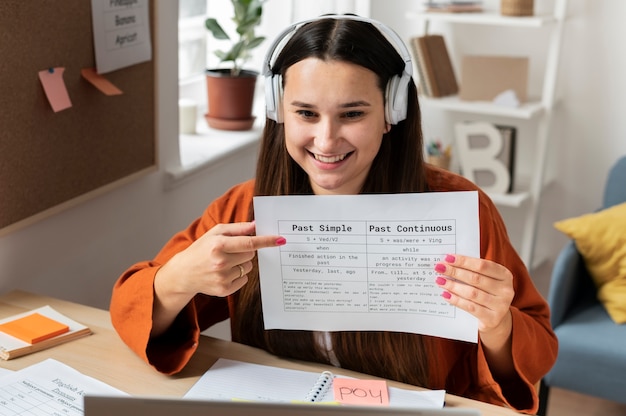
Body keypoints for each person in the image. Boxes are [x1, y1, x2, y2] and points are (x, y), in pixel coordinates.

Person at [110, 15, 557, 414]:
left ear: (391, 113)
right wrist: (178, 278)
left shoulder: (463, 210)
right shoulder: (244, 207)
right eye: (305, 113)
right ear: (278, 112)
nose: (326, 141)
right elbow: (131, 309)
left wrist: (497, 324)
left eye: (352, 114)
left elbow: (536, 352)